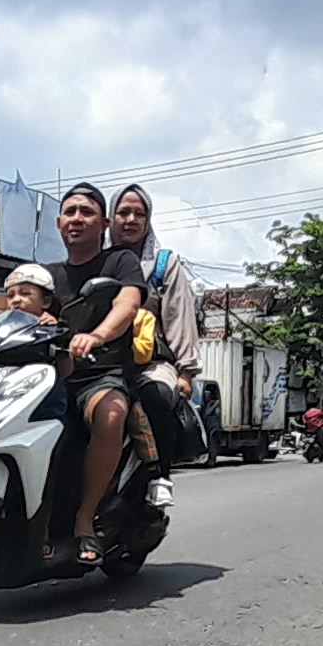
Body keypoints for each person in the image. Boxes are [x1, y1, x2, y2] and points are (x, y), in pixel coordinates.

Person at [47, 184, 145, 563]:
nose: (76, 219)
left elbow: (127, 304)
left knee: (112, 413)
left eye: (86, 213)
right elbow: (10, 306)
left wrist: (98, 334)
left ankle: (85, 521)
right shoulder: (45, 274)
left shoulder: (119, 263)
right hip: (51, 378)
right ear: (58, 223)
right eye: (69, 212)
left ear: (104, 223)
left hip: (99, 376)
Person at [110, 184, 198, 467]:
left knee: (156, 397)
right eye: (124, 212)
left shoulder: (164, 264)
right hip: (102, 362)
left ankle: (158, 476)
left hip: (151, 362)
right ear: (110, 218)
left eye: (139, 213)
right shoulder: (97, 262)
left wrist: (186, 373)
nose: (131, 220)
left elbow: (179, 317)